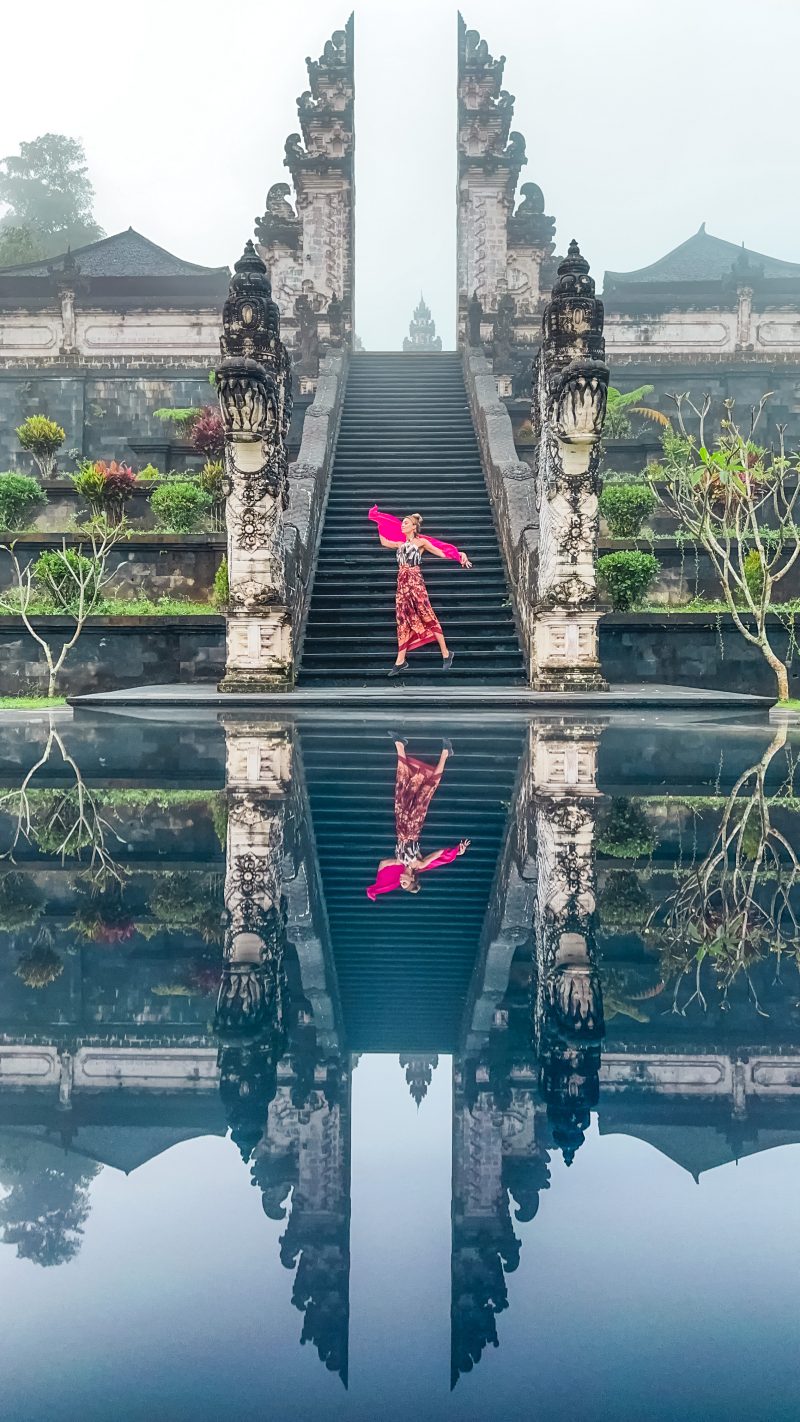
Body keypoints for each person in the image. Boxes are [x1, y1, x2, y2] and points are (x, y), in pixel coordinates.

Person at [371, 509, 472, 675]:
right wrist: (379, 521)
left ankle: (446, 654)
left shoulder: (421, 543)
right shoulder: (399, 544)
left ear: (414, 527)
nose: (402, 525)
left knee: (426, 614)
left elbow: (441, 552)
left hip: (415, 582)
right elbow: (383, 541)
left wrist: (459, 554)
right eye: (402, 522)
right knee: (403, 618)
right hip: (402, 584)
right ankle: (400, 661)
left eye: (406, 523)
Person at [366, 737, 470, 899]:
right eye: (405, 883)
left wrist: (397, 864)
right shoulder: (418, 864)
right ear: (412, 878)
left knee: (401, 792)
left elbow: (382, 864)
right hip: (413, 826)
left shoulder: (400, 862)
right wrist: (457, 851)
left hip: (401, 827)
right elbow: (439, 853)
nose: (401, 881)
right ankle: (444, 754)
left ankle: (399, 745)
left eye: (401, 884)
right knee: (425, 793)